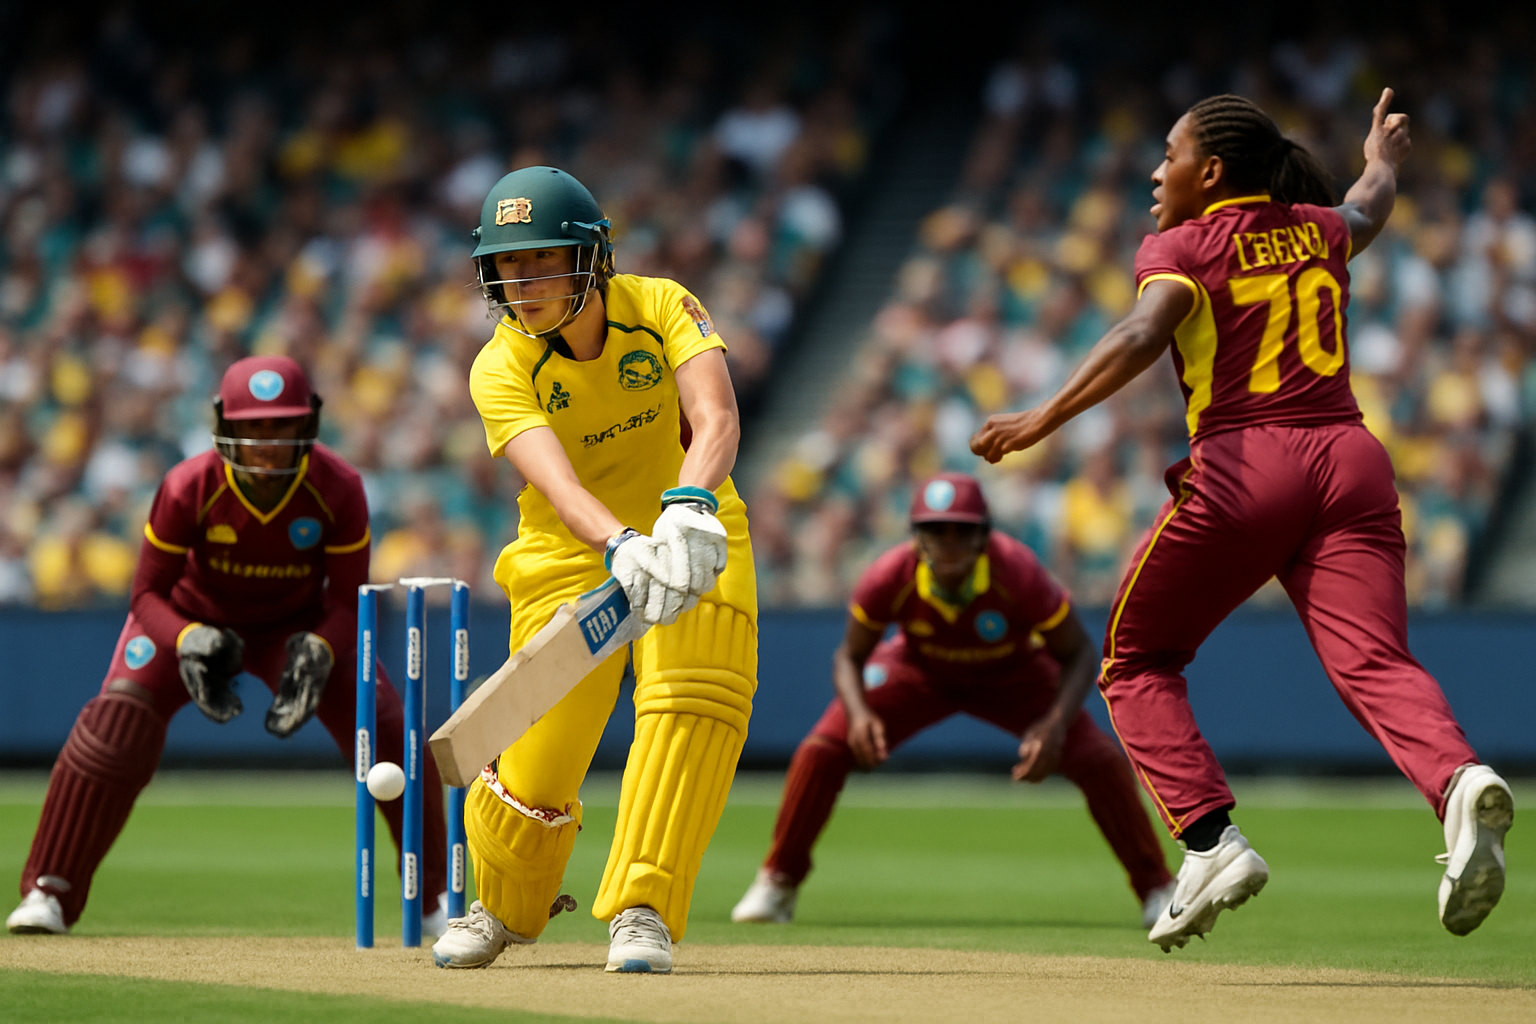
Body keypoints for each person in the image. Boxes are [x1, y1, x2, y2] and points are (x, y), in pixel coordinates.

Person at [970, 90, 1514, 950]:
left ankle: (1210, 842)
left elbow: (1142, 332)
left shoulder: (1183, 245)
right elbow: (1367, 208)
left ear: (1212, 171)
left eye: (1170, 155)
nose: (1158, 173)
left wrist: (1040, 419)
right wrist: (1381, 160)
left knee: (1135, 658)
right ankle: (1458, 781)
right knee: (1375, 660)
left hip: (1247, 465)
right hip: (1352, 462)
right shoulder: (1319, 230)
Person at [429, 166, 755, 975]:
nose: (521, 282)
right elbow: (561, 487)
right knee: (540, 755)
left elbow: (716, 416)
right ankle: (504, 905)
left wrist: (688, 505)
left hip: (695, 525)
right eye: (507, 264)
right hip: (570, 549)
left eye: (542, 259)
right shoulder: (499, 365)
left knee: (693, 704)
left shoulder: (663, 305)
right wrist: (620, 543)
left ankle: (643, 912)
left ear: (592, 258)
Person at [6, 356, 450, 936]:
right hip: (189, 619)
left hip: (296, 627)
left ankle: (436, 899)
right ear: (224, 427)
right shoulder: (188, 485)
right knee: (115, 724)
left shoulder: (338, 487)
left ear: (308, 424)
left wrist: (319, 649)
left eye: (281, 427)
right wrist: (188, 639)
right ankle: (49, 892)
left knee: (390, 726)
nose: (267, 445)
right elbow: (146, 595)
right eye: (253, 428)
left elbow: (349, 603)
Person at [731, 473, 1175, 928]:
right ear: (916, 536)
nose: (948, 544)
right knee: (821, 750)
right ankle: (777, 881)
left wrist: (1055, 725)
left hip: (1013, 673)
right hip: (918, 670)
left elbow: (1078, 652)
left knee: (1099, 760)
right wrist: (860, 715)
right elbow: (849, 655)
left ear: (983, 535)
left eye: (961, 531)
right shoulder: (890, 574)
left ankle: (1156, 888)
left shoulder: (1017, 570)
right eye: (935, 530)